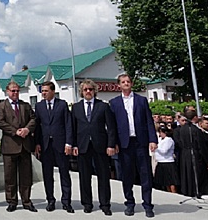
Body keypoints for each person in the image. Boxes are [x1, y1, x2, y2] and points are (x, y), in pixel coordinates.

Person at [109, 74, 157, 218]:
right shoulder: (114, 102)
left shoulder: (141, 100)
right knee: (127, 175)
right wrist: (114, 143)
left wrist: (152, 139)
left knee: (145, 174)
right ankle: (130, 203)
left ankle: (148, 205)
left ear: (131, 84)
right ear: (119, 85)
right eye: (123, 82)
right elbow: (112, 126)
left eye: (128, 81)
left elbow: (149, 121)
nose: (126, 84)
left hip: (140, 142)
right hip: (124, 144)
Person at [71, 79, 116, 215]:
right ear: (81, 92)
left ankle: (105, 204)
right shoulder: (76, 107)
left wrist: (111, 145)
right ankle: (87, 203)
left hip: (100, 145)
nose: (88, 92)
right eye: (85, 90)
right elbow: (72, 128)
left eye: (90, 89)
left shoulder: (103, 106)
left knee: (103, 176)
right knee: (84, 177)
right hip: (83, 145)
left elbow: (111, 127)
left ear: (94, 91)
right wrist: (73, 145)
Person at [0, 81, 37, 212]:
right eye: (13, 91)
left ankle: (26, 201)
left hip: (25, 146)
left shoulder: (25, 105)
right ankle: (12, 201)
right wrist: (15, 131)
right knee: (10, 176)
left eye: (17, 91)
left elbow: (33, 119)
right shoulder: (1, 106)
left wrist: (26, 129)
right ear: (7, 92)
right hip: (10, 146)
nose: (15, 93)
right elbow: (0, 122)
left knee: (26, 176)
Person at [34, 81, 74, 213]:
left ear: (52, 91)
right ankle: (50, 200)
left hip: (60, 144)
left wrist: (69, 143)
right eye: (42, 91)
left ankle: (66, 202)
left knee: (64, 173)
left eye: (45, 91)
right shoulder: (39, 106)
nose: (43, 93)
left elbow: (68, 124)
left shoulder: (62, 105)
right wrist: (37, 143)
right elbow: (37, 126)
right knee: (47, 174)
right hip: (46, 145)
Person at [176, 109, 208, 197]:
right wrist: (207, 161)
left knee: (187, 174)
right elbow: (201, 146)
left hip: (184, 154)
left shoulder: (181, 129)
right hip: (193, 153)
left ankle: (188, 191)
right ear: (194, 117)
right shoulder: (194, 129)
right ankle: (197, 192)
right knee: (196, 175)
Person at [153, 127, 178, 193]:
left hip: (168, 162)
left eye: (161, 132)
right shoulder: (160, 140)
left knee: (171, 181)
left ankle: (174, 193)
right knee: (165, 182)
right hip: (160, 161)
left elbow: (164, 151)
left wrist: (156, 147)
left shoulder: (169, 140)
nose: (160, 134)